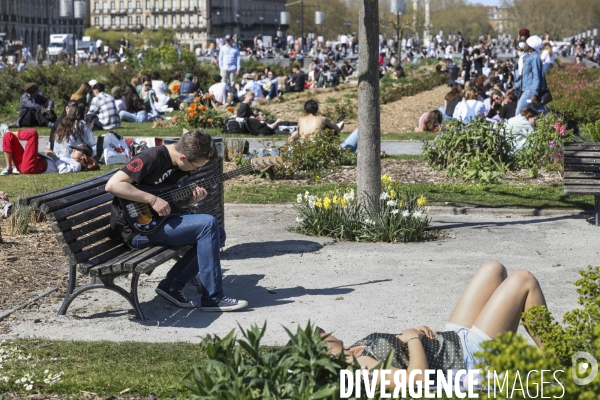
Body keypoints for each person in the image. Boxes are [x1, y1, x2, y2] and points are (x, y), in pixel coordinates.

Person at [317, 261, 547, 389]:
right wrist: (413, 339)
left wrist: (414, 333)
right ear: (322, 350)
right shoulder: (357, 369)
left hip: (452, 340)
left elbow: (398, 349)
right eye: (320, 334)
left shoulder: (353, 350)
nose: (325, 331)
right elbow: (416, 379)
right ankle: (561, 363)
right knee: (523, 279)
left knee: (493, 269)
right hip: (468, 359)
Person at [104, 130, 248, 311]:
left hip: (159, 223)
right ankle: (213, 298)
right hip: (137, 229)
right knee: (208, 224)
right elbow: (113, 185)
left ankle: (171, 285)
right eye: (196, 166)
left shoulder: (178, 166)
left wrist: (190, 201)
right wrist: (152, 200)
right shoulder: (151, 157)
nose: (196, 170)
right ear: (183, 158)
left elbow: (169, 199)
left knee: (218, 234)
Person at [1, 129, 97, 175]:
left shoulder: (77, 165)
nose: (74, 149)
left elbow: (64, 171)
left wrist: (54, 156)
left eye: (77, 150)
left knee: (32, 133)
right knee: (8, 137)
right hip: (29, 164)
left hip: (34, 166)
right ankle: (8, 168)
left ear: (83, 156)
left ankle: (7, 131)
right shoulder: (69, 158)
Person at [514, 36, 545, 116]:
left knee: (519, 113)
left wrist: (534, 94)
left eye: (526, 44)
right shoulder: (528, 57)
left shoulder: (535, 58)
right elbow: (525, 77)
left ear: (530, 46)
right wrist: (514, 88)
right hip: (528, 89)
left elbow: (536, 77)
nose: (524, 45)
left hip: (530, 91)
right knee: (541, 113)